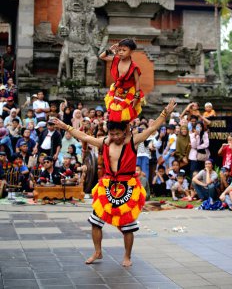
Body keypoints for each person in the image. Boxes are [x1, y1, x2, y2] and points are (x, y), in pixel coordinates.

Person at [53, 98, 176, 267]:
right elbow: (84, 136)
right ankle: (97, 251)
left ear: (125, 131)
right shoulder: (104, 142)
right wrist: (65, 126)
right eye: (112, 134)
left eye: (118, 134)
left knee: (128, 225)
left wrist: (165, 113)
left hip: (127, 186)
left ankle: (127, 256)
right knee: (95, 222)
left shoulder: (133, 141)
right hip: (108, 185)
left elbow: (153, 128)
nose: (115, 137)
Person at [100, 38, 144, 122]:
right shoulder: (116, 60)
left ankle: (127, 133)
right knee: (113, 112)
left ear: (131, 51)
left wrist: (136, 97)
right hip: (117, 90)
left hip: (129, 92)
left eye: (124, 50)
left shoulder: (133, 67)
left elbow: (137, 82)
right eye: (119, 50)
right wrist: (110, 49)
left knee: (126, 116)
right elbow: (101, 56)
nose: (120, 52)